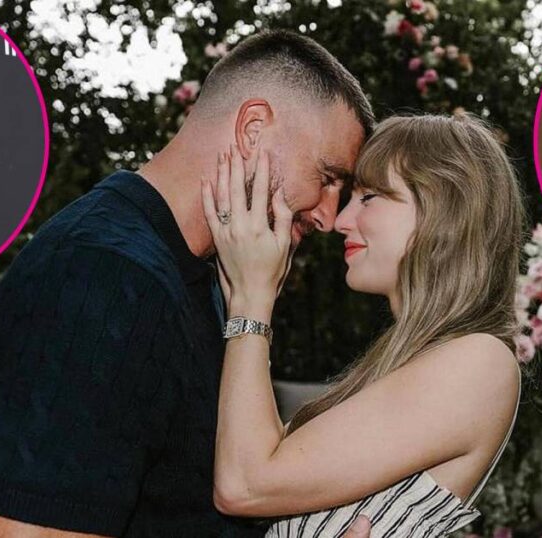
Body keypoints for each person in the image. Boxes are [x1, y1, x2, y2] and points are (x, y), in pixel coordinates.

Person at [0, 30, 376, 537]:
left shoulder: (195, 276)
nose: (328, 216)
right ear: (252, 129)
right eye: (328, 178)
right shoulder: (101, 275)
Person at [206, 113, 522, 536]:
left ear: (445, 210)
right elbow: (255, 460)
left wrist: (252, 299)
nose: (341, 221)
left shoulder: (478, 361)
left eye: (369, 197)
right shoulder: (411, 361)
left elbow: (245, 485)